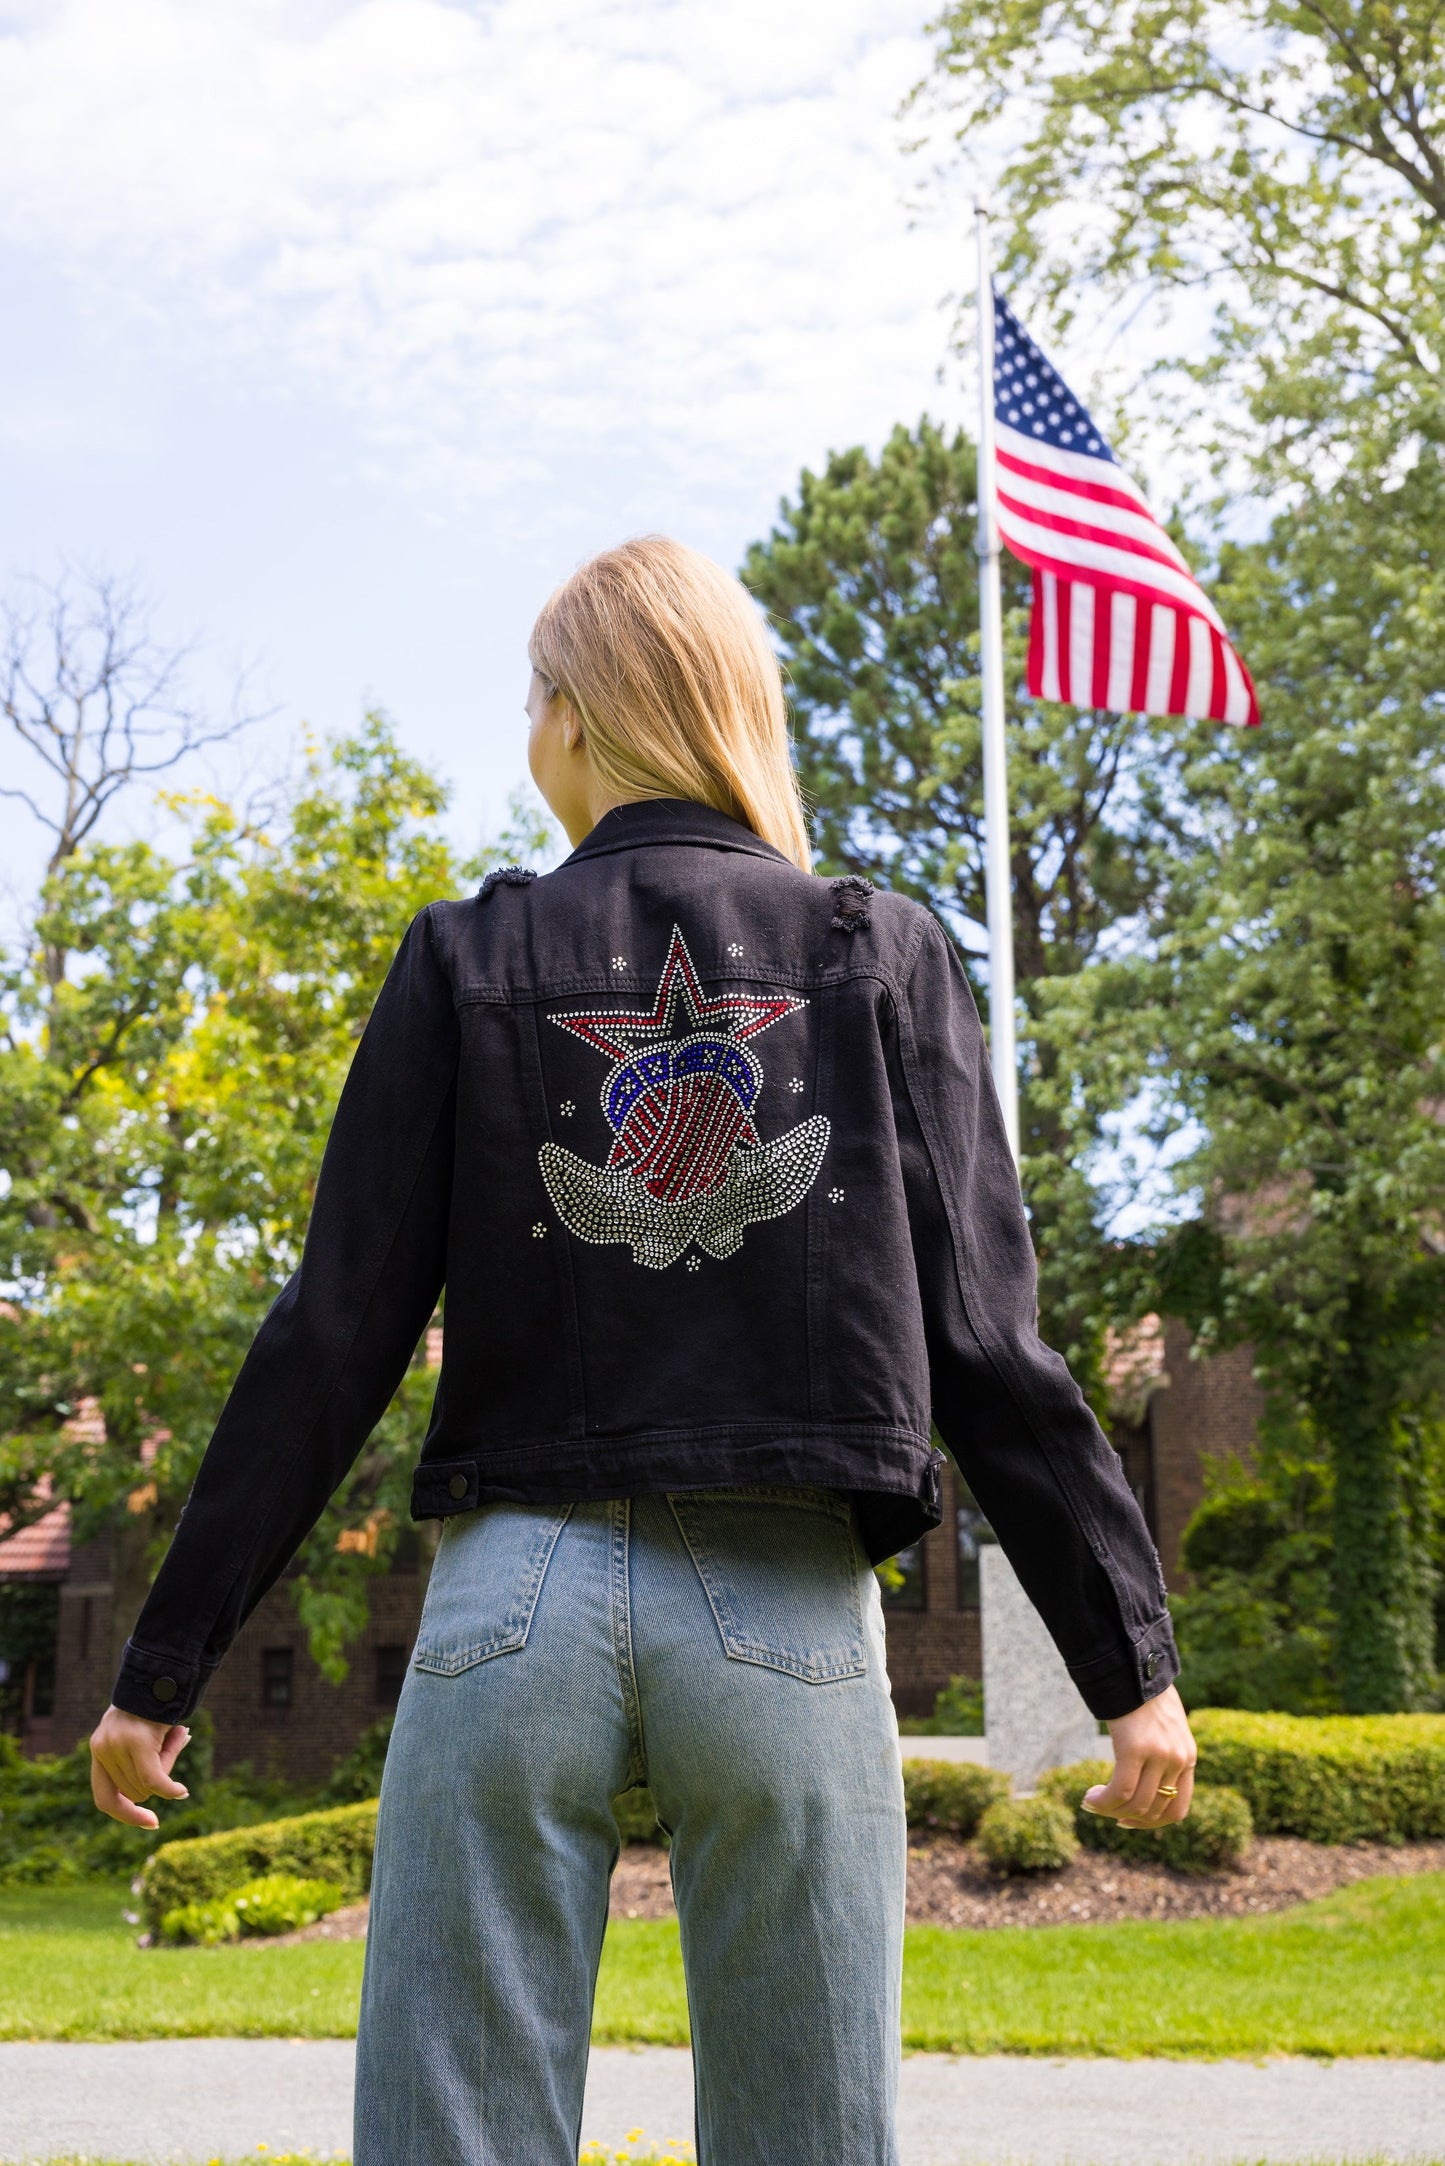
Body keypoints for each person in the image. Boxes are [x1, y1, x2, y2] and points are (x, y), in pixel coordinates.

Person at [91, 535, 1196, 2166]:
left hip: (508, 1603)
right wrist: (1133, 1670)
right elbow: (988, 1341)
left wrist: (161, 1662)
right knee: (809, 2136)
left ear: (575, 718)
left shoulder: (464, 959)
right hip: (788, 1613)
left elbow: (330, 1334)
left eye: (529, 701)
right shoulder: (876, 949)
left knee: (454, 2130)